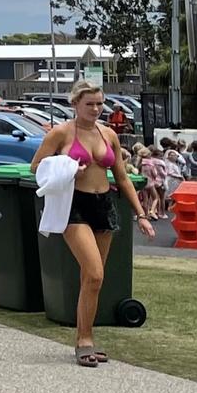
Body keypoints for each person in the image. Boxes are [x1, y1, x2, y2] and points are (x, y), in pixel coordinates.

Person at [31, 79, 156, 367]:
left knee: (92, 280)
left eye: (100, 103)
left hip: (104, 205)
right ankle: (84, 341)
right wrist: (67, 170)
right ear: (75, 104)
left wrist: (142, 215)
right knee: (95, 273)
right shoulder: (61, 134)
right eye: (90, 104)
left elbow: (122, 178)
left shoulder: (109, 134)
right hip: (74, 206)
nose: (97, 109)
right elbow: (36, 167)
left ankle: (84, 338)